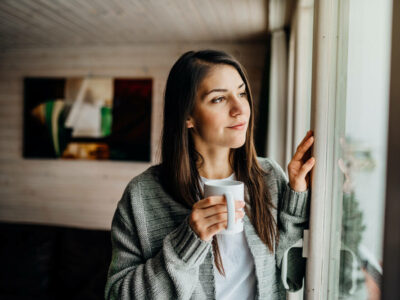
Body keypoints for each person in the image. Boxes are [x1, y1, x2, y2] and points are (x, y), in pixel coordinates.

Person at [105, 50, 315, 300]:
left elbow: (291, 278)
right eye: (218, 99)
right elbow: (118, 296)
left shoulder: (269, 176)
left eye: (241, 93)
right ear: (187, 116)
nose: (240, 109)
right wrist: (188, 242)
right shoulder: (142, 195)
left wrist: (297, 196)